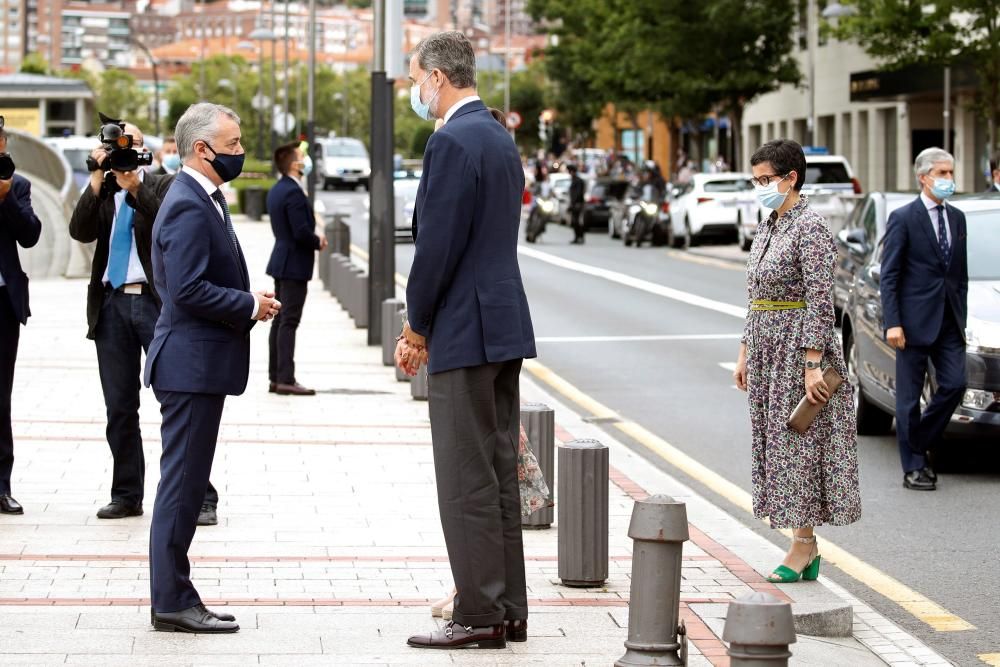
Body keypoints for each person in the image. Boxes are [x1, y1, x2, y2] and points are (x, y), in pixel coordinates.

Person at [397, 31, 536, 650]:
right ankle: (508, 608)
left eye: (414, 80)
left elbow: (437, 247)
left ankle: (479, 615)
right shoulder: (499, 136)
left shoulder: (451, 140)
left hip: (463, 327)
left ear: (436, 77)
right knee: (498, 473)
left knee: (465, 478)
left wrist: (415, 327)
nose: (414, 91)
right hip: (502, 323)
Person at [144, 102, 281, 633]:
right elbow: (187, 289)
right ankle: (173, 601)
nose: (241, 153)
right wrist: (249, 305)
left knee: (186, 482)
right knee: (182, 486)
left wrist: (246, 298)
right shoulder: (185, 203)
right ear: (201, 150)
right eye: (233, 146)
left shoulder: (203, 198)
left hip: (197, 363)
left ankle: (175, 594)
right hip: (189, 365)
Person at [69, 122, 228, 522]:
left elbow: (167, 222)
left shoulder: (164, 185)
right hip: (111, 305)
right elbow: (79, 230)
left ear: (148, 150)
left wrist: (135, 186)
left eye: (134, 145)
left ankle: (200, 496)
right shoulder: (104, 190)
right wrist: (95, 176)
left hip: (156, 305)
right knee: (119, 407)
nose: (126, 152)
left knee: (176, 402)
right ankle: (126, 494)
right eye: (118, 146)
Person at [733, 139, 861, 583]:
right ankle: (799, 540)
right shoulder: (769, 225)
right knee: (775, 444)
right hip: (767, 349)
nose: (760, 187)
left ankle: (803, 545)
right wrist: (745, 350)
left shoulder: (811, 227)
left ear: (791, 178)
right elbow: (756, 296)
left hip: (796, 348)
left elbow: (820, 300)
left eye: (766, 179)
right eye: (756, 180)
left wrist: (812, 363)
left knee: (797, 446)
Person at [880, 147, 968, 491]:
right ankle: (914, 467)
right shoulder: (903, 218)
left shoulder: (957, 218)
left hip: (949, 320)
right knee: (908, 398)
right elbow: (890, 275)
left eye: (951, 173)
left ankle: (916, 440)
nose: (949, 179)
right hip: (912, 323)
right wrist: (893, 322)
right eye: (943, 173)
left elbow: (959, 274)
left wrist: (961, 310)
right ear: (924, 177)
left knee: (955, 384)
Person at [0, 117, 42, 515]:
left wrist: (5, 196)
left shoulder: (18, 186)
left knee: (1, 398)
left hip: (3, 303)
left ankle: (1, 486)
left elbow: (30, 234)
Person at [265, 142, 327, 396]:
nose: (306, 160)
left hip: (282, 259)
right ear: (294, 164)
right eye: (302, 157)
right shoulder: (292, 192)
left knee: (280, 321)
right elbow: (300, 231)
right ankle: (285, 378)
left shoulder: (278, 189)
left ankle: (275, 376)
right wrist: (318, 240)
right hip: (293, 263)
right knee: (288, 321)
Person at [568, 164, 586, 244]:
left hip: (578, 204)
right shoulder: (574, 180)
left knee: (577, 222)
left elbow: (578, 194)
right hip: (575, 204)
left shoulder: (578, 181)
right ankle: (577, 237)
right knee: (575, 222)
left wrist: (573, 203)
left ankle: (580, 237)